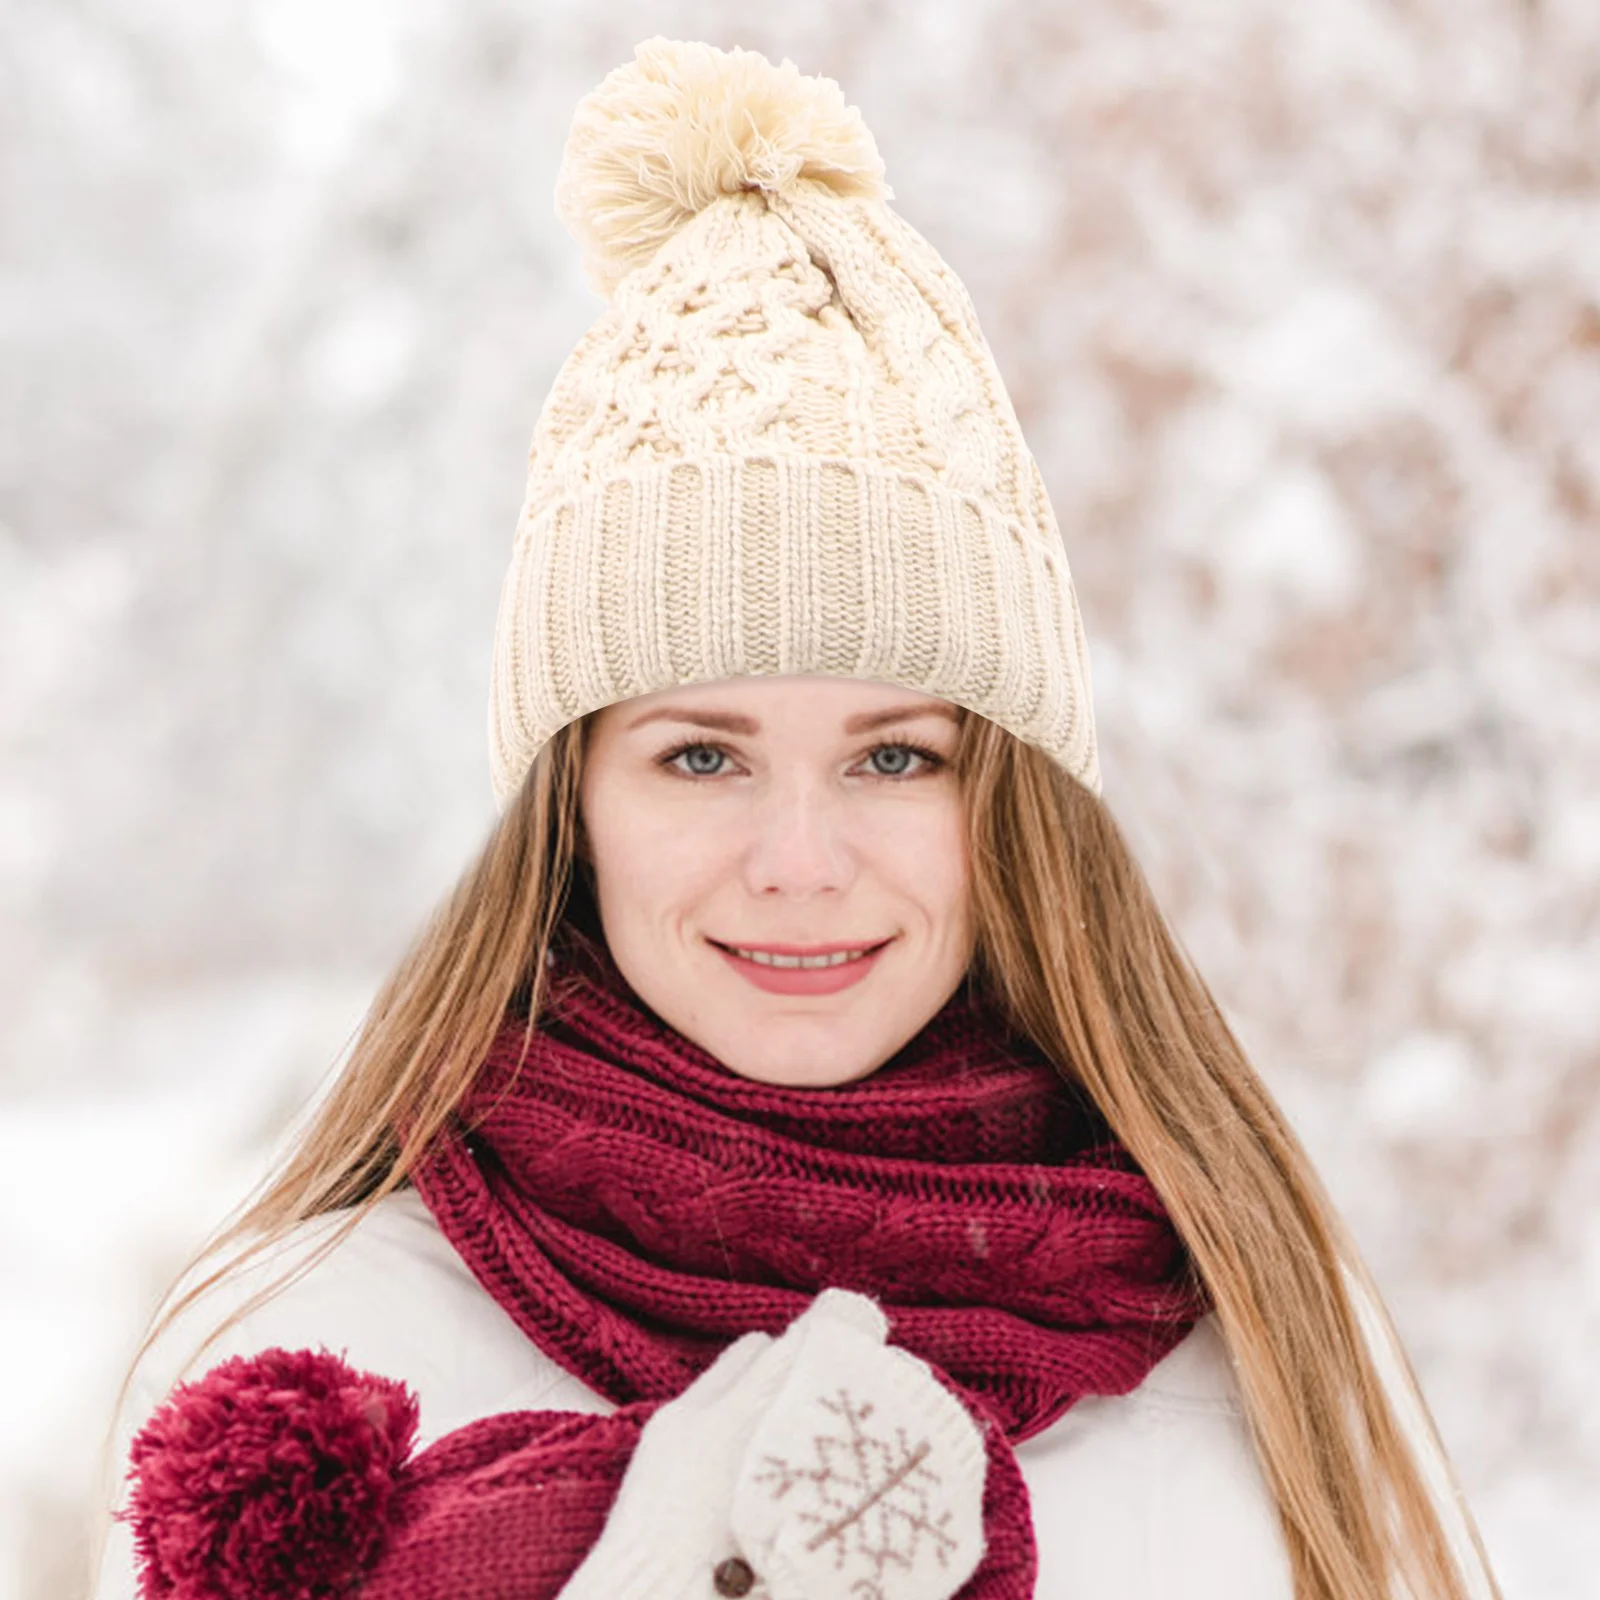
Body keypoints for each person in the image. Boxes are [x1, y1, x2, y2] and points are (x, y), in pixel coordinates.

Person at [90, 37, 1500, 1600]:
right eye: (702, 757)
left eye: (895, 757)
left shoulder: (1266, 1356)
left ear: (1008, 801)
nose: (802, 861)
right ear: (576, 806)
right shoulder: (320, 1370)